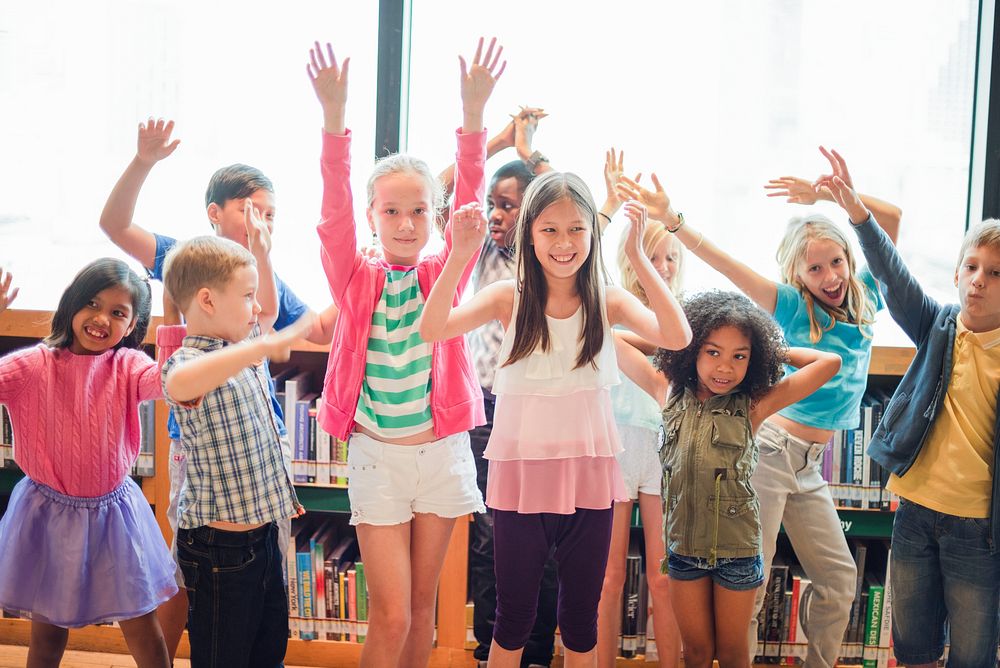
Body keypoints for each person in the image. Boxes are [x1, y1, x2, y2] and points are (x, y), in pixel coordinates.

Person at [616, 147, 901, 668]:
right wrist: (673, 222)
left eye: (835, 262)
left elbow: (891, 222)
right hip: (770, 449)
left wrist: (834, 197)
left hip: (811, 466)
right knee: (749, 578)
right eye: (814, 268)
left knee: (839, 577)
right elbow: (727, 264)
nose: (829, 275)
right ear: (797, 273)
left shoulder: (865, 295)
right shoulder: (792, 304)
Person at [419, 173, 691, 667]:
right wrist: (459, 254)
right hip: (522, 479)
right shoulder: (509, 296)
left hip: (589, 476)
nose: (564, 243)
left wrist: (634, 257)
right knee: (514, 616)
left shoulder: (606, 300)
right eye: (549, 230)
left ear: (593, 231)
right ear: (529, 233)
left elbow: (676, 336)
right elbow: (432, 327)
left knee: (581, 619)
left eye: (576, 229)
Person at [98, 118, 337, 660]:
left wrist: (269, 257)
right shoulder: (185, 261)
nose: (260, 222)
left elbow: (273, 317)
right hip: (208, 478)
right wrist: (144, 161)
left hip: (259, 485)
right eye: (251, 210)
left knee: (260, 631)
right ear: (215, 212)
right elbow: (183, 377)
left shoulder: (253, 299)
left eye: (269, 214)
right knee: (206, 610)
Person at [310, 37, 504, 667]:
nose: (404, 222)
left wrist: (473, 118)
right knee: (391, 616)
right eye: (390, 210)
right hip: (378, 459)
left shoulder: (442, 271)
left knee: (423, 609)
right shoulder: (354, 276)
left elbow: (469, 203)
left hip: (440, 454)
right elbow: (332, 215)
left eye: (418, 210)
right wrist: (334, 122)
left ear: (433, 216)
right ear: (372, 216)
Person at [827, 169, 1000, 668]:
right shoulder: (938, 325)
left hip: (979, 529)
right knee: (913, 650)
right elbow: (892, 276)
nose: (979, 282)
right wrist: (858, 213)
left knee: (972, 656)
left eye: (995, 272)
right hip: (915, 516)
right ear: (956, 273)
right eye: (972, 267)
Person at [615, 290, 840, 668]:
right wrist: (675, 339)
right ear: (694, 351)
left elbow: (829, 362)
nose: (725, 367)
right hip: (684, 550)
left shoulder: (754, 404)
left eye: (740, 355)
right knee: (698, 654)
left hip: (737, 553)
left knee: (734, 655)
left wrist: (771, 348)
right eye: (713, 352)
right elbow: (615, 338)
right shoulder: (666, 391)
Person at [0, 259, 177, 668]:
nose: (101, 319)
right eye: (93, 304)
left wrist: (176, 313)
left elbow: (171, 378)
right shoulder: (34, 365)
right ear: (72, 304)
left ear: (132, 325)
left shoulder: (128, 366)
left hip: (115, 516)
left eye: (118, 312)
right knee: (46, 641)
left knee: (146, 636)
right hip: (48, 516)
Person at [159, 229, 312, 667]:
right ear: (207, 301)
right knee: (222, 657)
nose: (258, 306)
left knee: (268, 652)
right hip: (218, 552)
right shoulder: (188, 362)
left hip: (262, 539)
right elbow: (177, 384)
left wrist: (263, 253)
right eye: (247, 296)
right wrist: (258, 346)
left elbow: (270, 314)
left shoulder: (244, 346)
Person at [597, 202, 684, 668]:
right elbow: (605, 340)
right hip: (615, 447)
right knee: (607, 575)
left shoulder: (683, 316)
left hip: (663, 450)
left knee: (664, 576)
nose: (665, 268)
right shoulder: (615, 308)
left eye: (672, 258)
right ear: (633, 262)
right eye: (654, 258)